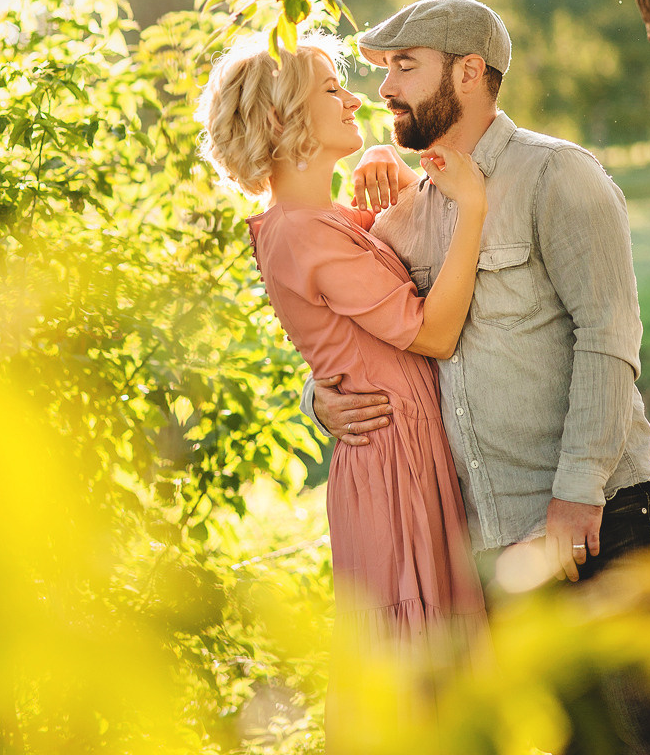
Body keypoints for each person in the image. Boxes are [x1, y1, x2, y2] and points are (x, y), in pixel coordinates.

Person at [301, 0, 650, 754]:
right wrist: (321, 398)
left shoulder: (558, 174)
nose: (383, 88)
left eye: (403, 67)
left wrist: (574, 494)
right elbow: (372, 333)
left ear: (467, 71)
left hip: (598, 520)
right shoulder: (406, 213)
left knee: (646, 742)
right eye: (382, 68)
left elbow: (608, 335)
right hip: (489, 544)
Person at [194, 33, 488, 668]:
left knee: (439, 658)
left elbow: (400, 227)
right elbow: (433, 333)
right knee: (417, 666)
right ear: (280, 118)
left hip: (405, 451)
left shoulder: (323, 220)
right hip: (391, 464)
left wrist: (390, 160)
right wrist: (474, 208)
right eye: (332, 89)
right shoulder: (300, 234)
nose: (355, 99)